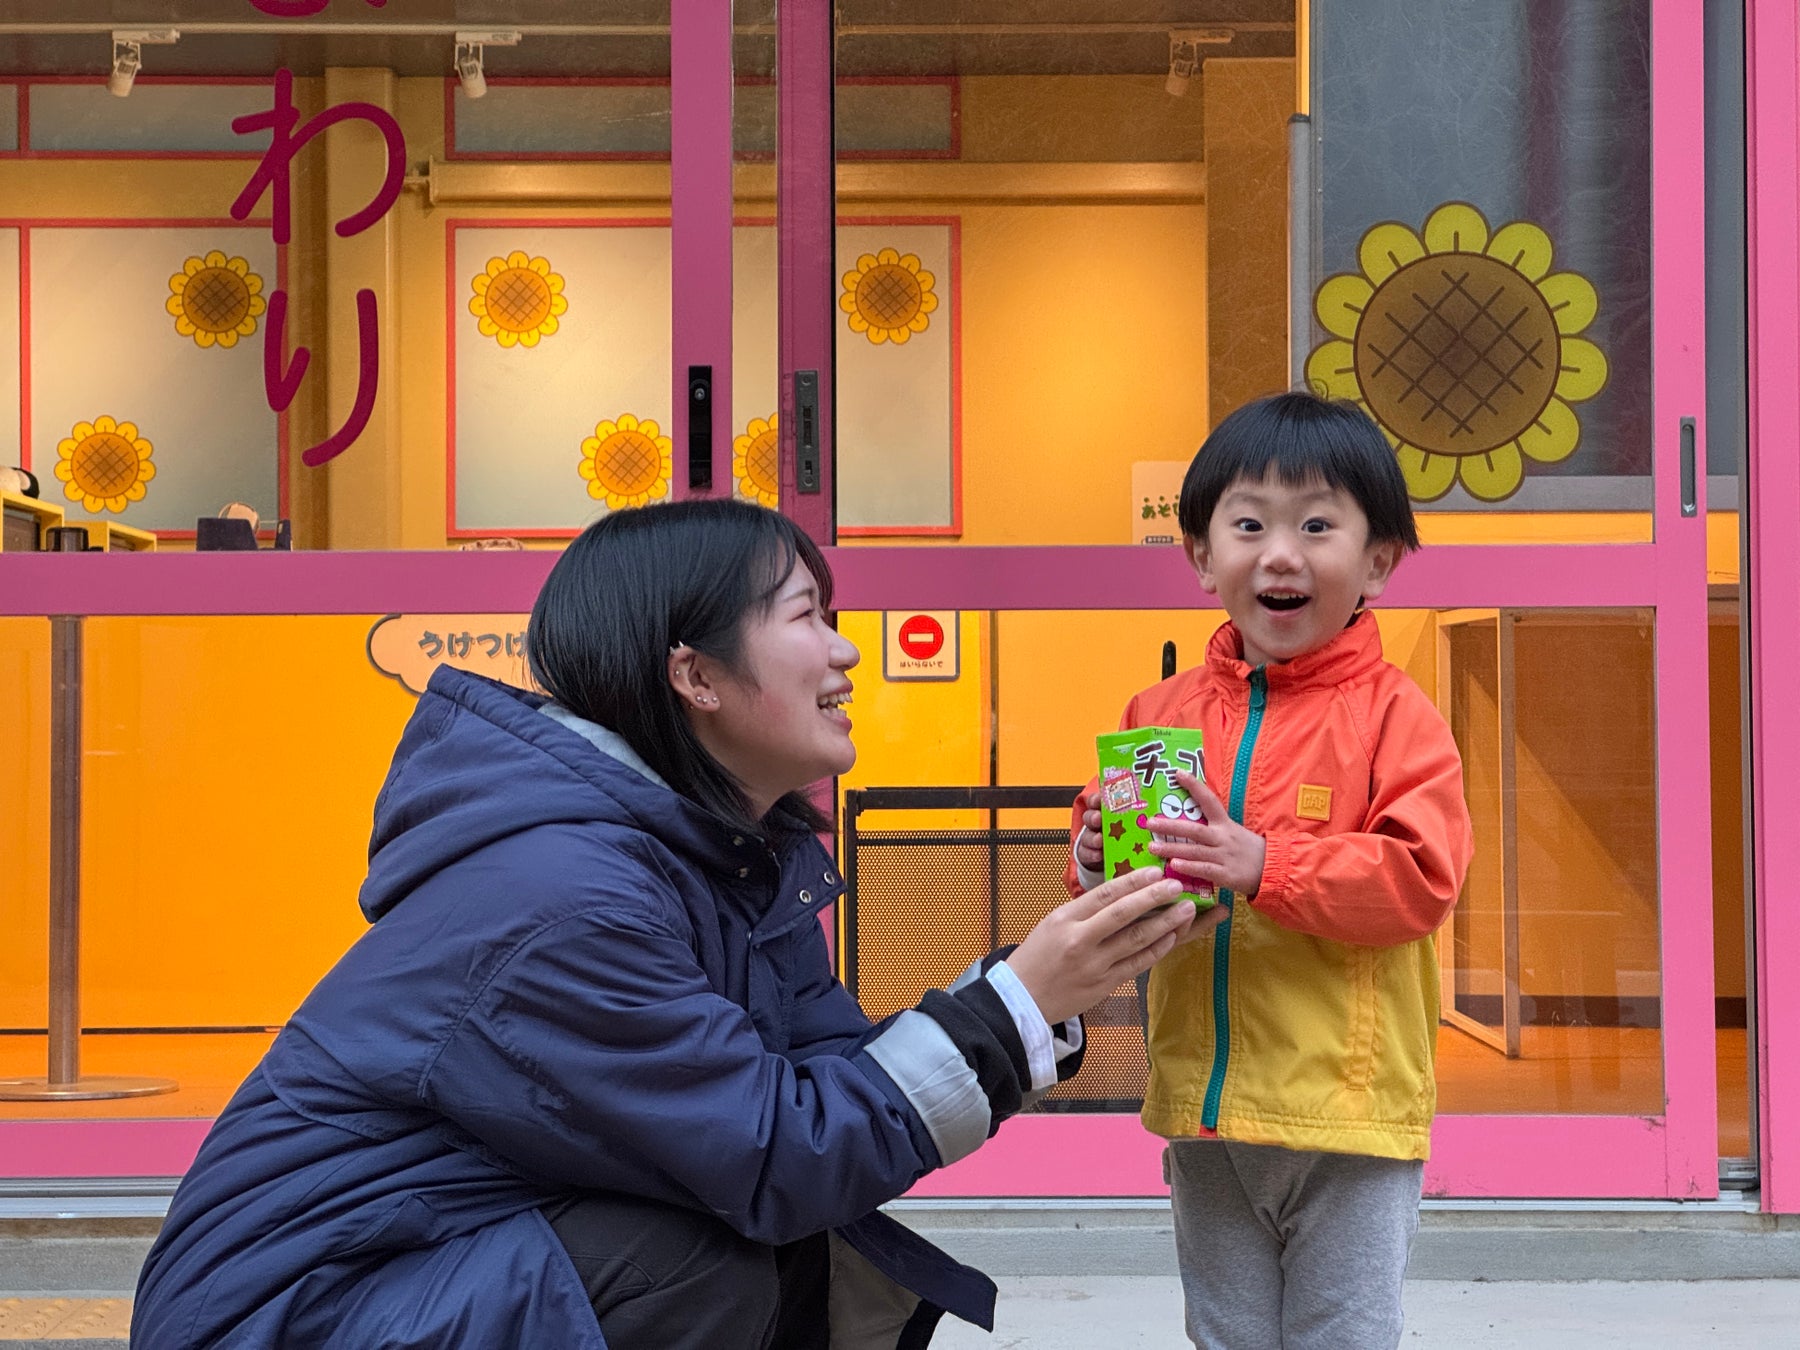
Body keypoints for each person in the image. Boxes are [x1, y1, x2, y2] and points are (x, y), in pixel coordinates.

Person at [133, 499, 1206, 1350]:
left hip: (428, 1279)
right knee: (692, 1259)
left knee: (750, 1244)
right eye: (806, 618)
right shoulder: (564, 898)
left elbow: (825, 1082)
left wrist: (1038, 981)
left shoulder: (730, 853)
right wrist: (1020, 999)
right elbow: (780, 1150)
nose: (847, 655)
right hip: (298, 1318)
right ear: (694, 674)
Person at [1068, 391, 1474, 1350]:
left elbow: (1421, 879)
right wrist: (1095, 860)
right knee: (1226, 1337)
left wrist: (1266, 863)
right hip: (1206, 1113)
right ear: (1204, 555)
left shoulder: (1396, 715)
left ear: (1377, 560)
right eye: (1248, 524)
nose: (1280, 553)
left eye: (1317, 525)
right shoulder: (1158, 710)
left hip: (1347, 1120)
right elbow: (1126, 884)